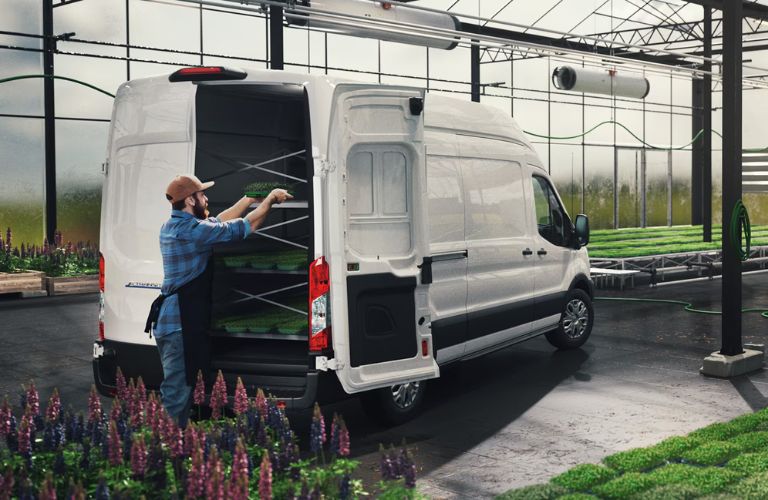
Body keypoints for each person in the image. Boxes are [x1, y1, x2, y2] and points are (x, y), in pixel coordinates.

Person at [147, 174, 292, 426]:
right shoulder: (192, 232)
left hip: (171, 322)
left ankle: (174, 442)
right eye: (202, 195)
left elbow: (219, 221)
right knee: (177, 391)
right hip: (179, 324)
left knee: (180, 388)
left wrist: (248, 199)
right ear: (191, 200)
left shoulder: (173, 225)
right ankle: (168, 448)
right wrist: (269, 201)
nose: (206, 198)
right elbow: (245, 227)